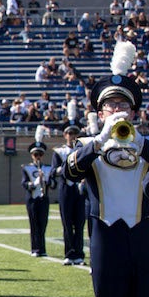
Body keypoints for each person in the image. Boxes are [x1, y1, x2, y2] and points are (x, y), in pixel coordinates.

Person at [64, 42, 149, 297]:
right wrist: (102, 140)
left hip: (145, 242)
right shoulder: (89, 147)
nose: (118, 111)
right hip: (106, 241)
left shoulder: (148, 146)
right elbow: (66, 173)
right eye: (110, 106)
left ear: (135, 111)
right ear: (99, 113)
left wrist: (140, 142)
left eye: (124, 106)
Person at [51, 109, 87, 265]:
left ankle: (79, 253)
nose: (72, 136)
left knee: (79, 223)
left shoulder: (83, 150)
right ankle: (69, 253)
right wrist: (65, 168)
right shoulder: (60, 152)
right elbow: (53, 171)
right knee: (67, 222)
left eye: (75, 133)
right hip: (66, 189)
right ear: (65, 135)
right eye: (70, 133)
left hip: (80, 189)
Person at [21, 130, 55, 257]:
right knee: (34, 223)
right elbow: (24, 183)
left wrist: (46, 181)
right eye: (36, 154)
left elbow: (53, 184)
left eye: (40, 154)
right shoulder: (27, 168)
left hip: (44, 198)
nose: (38, 157)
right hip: (32, 199)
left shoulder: (47, 168)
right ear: (32, 155)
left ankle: (43, 249)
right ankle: (35, 248)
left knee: (43, 223)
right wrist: (35, 183)